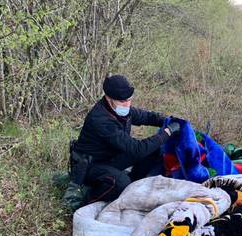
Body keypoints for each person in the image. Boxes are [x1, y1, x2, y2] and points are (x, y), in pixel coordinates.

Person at [70, 74, 181, 203]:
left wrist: (168, 120)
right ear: (108, 98)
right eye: (122, 101)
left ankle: (134, 183)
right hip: (91, 166)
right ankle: (88, 197)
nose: (127, 104)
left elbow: (146, 116)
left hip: (111, 158)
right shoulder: (100, 119)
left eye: (129, 100)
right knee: (121, 184)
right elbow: (137, 149)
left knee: (153, 150)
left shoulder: (120, 109)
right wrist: (167, 132)